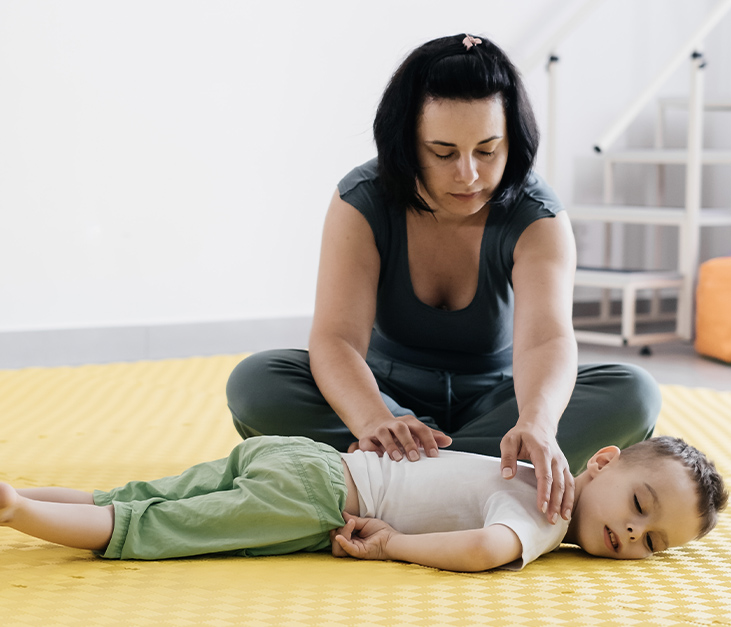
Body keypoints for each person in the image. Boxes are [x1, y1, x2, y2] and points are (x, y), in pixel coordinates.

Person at [225, 33, 661, 528]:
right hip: (384, 398)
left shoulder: (537, 216)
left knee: (634, 393)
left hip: (499, 407)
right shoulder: (361, 201)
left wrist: (535, 424)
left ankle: (389, 479)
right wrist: (373, 421)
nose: (469, 174)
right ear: (407, 145)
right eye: (444, 152)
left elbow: (546, 339)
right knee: (256, 383)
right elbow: (337, 339)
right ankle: (464, 480)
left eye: (488, 150)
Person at [0, 435, 728, 572]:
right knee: (142, 529)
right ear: (604, 462)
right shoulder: (543, 512)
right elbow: (485, 551)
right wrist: (389, 547)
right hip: (318, 493)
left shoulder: (532, 458)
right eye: (642, 501)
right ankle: (3, 505)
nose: (632, 531)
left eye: (653, 542)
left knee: (131, 492)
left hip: (304, 452)